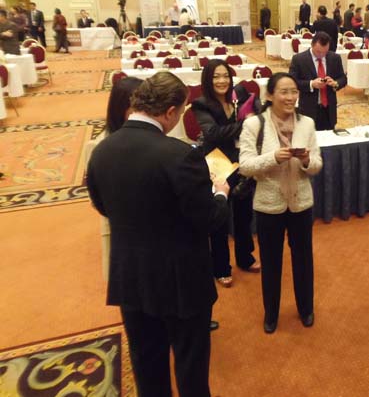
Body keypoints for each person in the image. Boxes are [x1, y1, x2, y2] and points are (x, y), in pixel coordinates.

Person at [86, 72, 230, 396]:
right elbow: (209, 220)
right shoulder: (180, 154)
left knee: (147, 368)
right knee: (191, 369)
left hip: (131, 277)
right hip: (181, 281)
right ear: (169, 112)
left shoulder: (101, 150)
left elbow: (104, 207)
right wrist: (221, 194)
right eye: (180, 113)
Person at [238, 72, 322, 334]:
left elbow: (317, 164)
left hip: (301, 202)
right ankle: (271, 313)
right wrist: (273, 157)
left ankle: (305, 308)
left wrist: (306, 161)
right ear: (270, 95)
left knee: (303, 259)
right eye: (284, 92)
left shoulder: (306, 123)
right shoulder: (254, 124)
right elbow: (245, 166)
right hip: (269, 203)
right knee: (271, 261)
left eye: (294, 91)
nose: (290, 97)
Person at [192, 60, 261, 287]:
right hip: (219, 164)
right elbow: (213, 133)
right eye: (216, 77)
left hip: (242, 161)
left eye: (225, 76)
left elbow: (257, 110)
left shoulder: (238, 95)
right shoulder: (201, 104)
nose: (222, 81)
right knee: (220, 218)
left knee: (244, 214)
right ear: (207, 80)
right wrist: (245, 124)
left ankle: (245, 257)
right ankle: (221, 267)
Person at [84, 76, 143, 282]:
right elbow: (95, 198)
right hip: (120, 225)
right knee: (126, 281)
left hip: (152, 225)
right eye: (136, 107)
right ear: (120, 108)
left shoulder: (151, 136)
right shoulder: (99, 146)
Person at [289, 31, 347, 131]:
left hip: (329, 110)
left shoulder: (334, 58)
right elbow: (292, 82)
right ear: (312, 45)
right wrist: (311, 84)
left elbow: (343, 78)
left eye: (325, 52)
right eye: (318, 52)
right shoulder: (299, 59)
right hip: (309, 109)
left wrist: (335, 83)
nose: (321, 55)